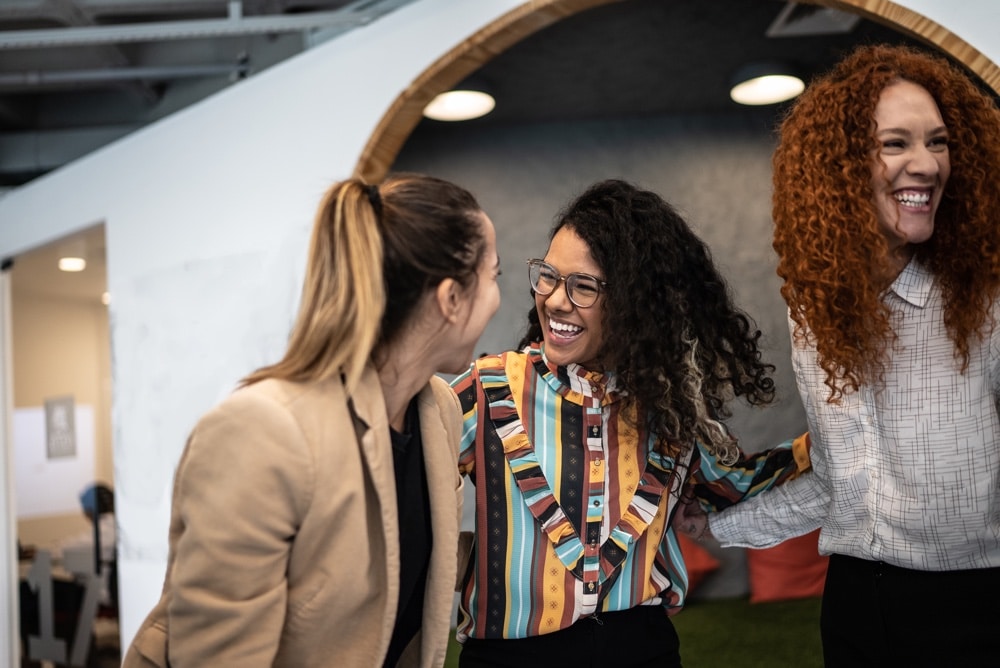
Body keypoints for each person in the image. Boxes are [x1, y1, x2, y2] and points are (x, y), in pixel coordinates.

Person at [682, 44, 1000, 667]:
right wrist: (716, 529)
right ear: (842, 168)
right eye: (895, 144)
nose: (927, 164)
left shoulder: (986, 299)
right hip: (856, 604)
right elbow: (841, 483)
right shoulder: (817, 310)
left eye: (937, 142)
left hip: (978, 605)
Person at [123, 173, 502, 667]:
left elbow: (397, 562)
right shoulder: (261, 431)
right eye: (494, 276)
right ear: (451, 300)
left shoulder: (438, 411)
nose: (497, 298)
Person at [450, 179, 809, 668]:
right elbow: (400, 485)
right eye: (549, 276)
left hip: (643, 648)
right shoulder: (487, 390)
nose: (556, 300)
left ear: (637, 304)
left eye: (583, 286)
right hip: (511, 656)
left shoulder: (667, 408)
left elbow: (731, 484)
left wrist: (822, 445)